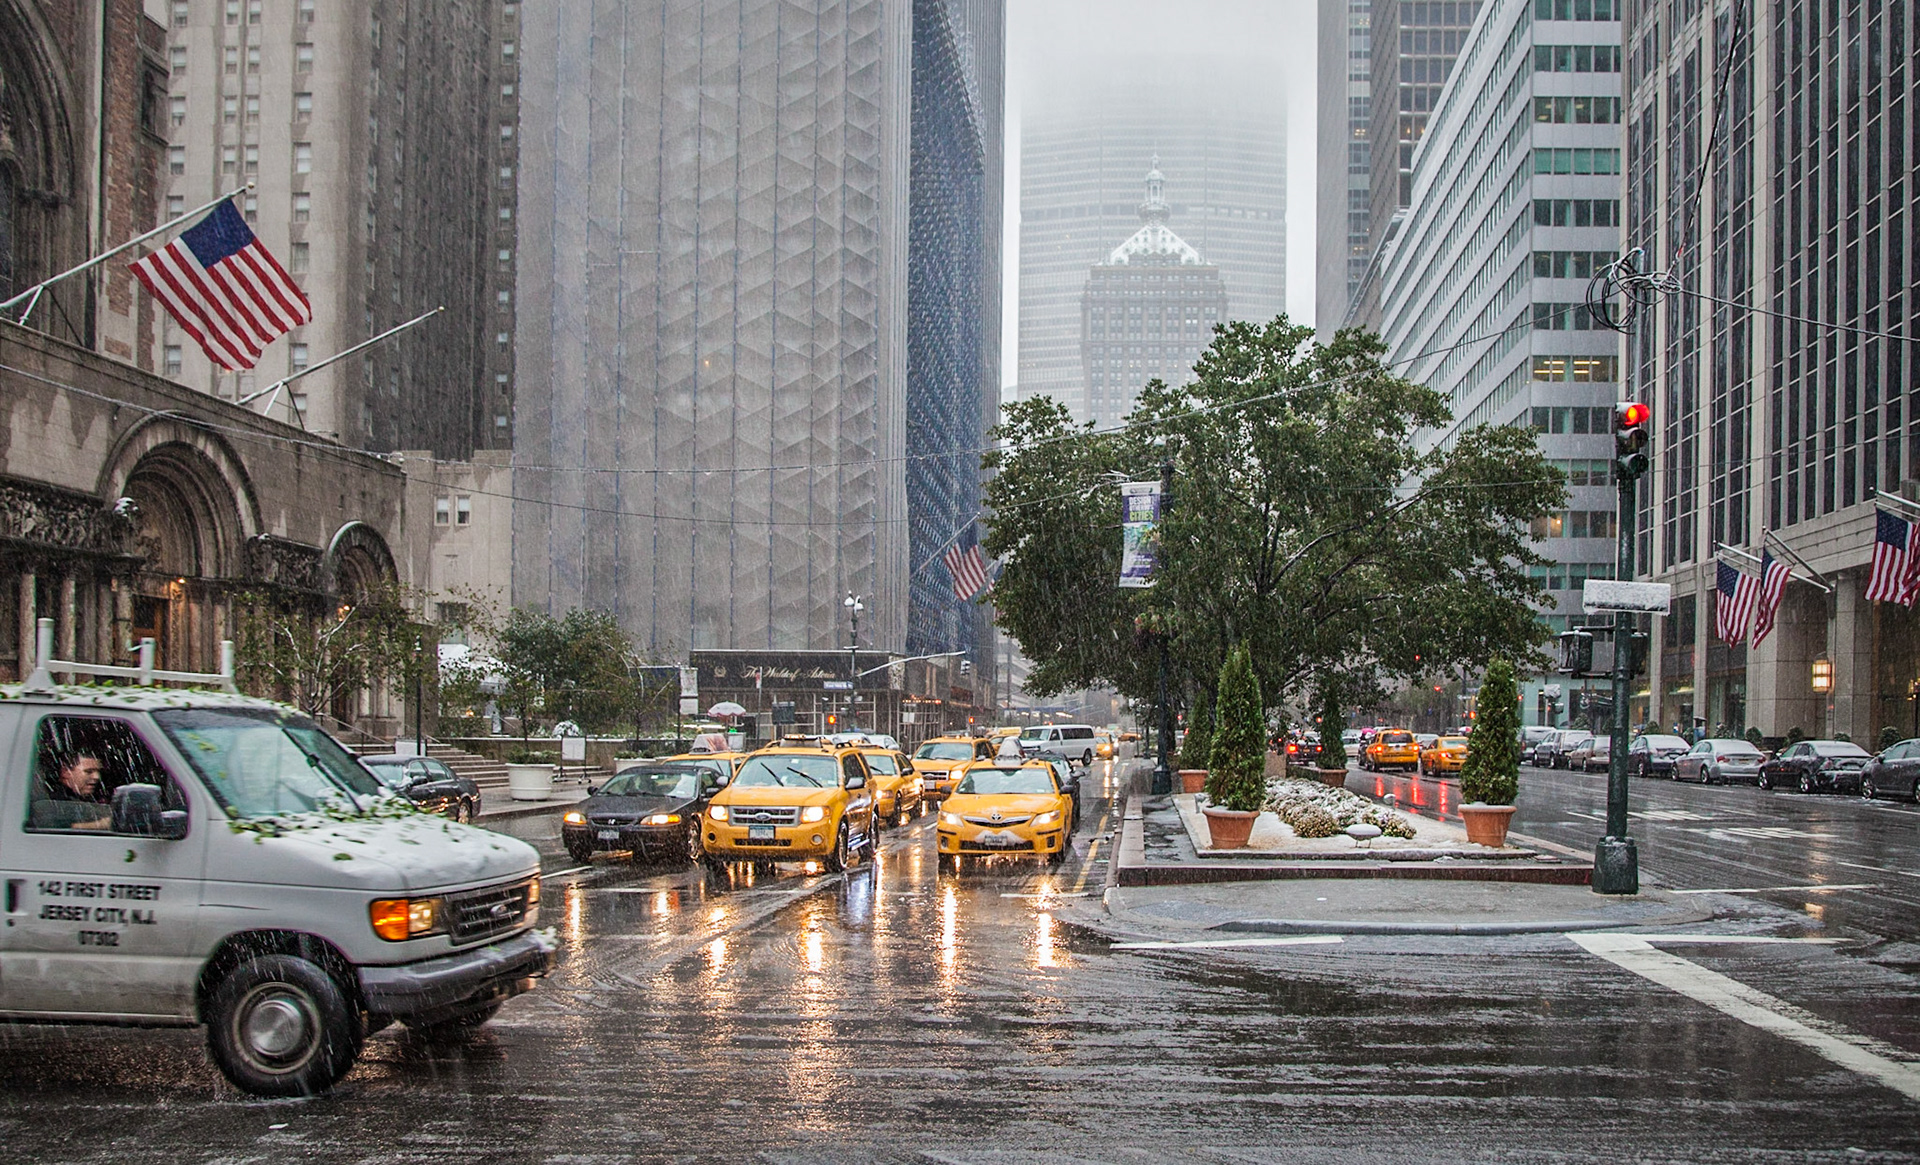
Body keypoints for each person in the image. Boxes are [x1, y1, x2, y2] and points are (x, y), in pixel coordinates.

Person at [31, 750, 114, 831]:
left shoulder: (94, 796)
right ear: (66, 772)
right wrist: (98, 825)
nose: (97, 777)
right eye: (89, 771)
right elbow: (50, 827)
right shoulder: (52, 799)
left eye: (98, 771)